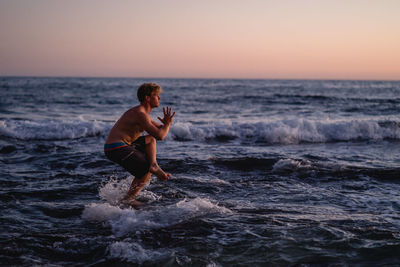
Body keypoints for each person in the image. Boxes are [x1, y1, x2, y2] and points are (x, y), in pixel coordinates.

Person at [104, 82, 175, 207]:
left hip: (120, 146)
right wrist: (167, 125)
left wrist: (166, 124)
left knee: (150, 139)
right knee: (144, 170)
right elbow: (161, 135)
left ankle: (154, 165)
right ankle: (129, 199)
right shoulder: (140, 114)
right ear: (147, 98)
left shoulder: (143, 114)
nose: (159, 98)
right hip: (116, 147)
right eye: (156, 95)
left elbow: (159, 130)